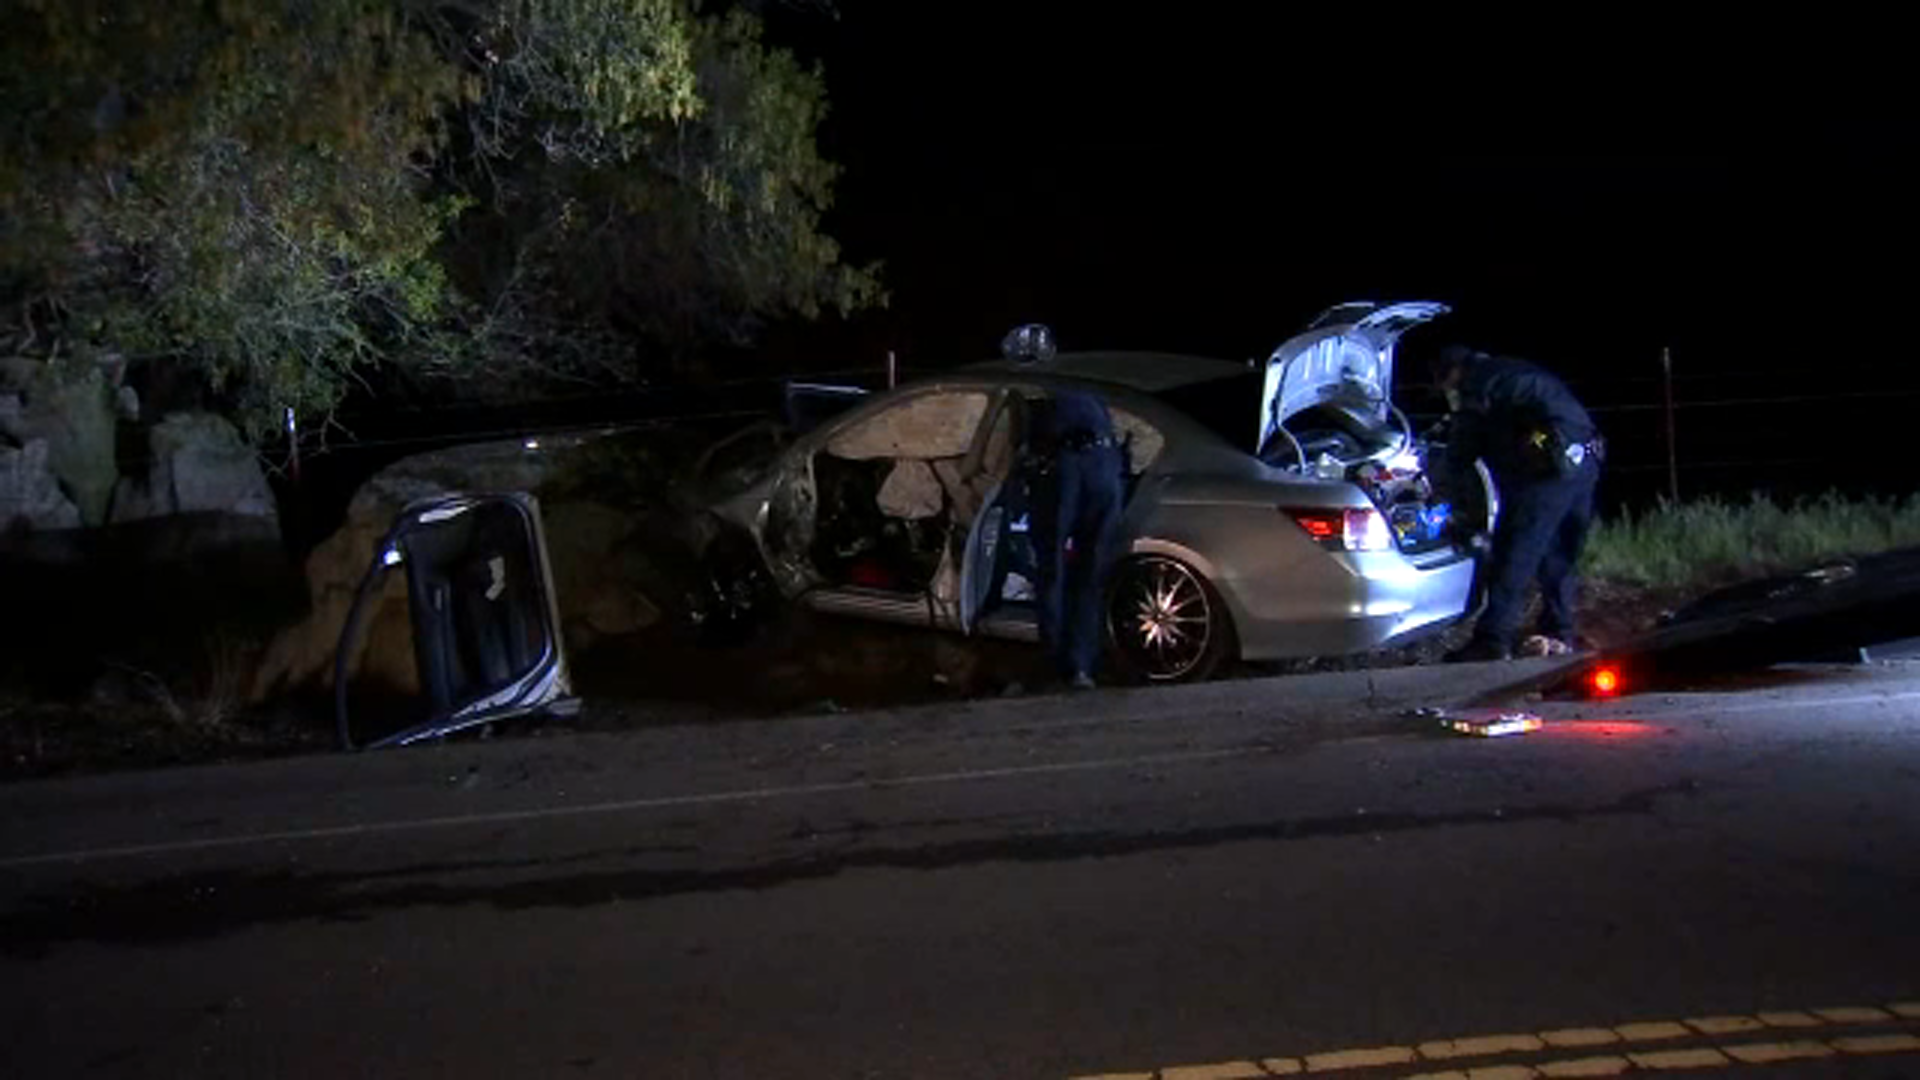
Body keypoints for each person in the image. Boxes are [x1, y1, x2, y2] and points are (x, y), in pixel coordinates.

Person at [1432, 344, 1604, 662]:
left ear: (1453, 373)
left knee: (1515, 552)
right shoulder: (1509, 368)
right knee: (1559, 552)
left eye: (1446, 385)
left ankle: (1493, 640)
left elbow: (1464, 444)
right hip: (1584, 460)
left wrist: (1438, 484)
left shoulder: (1477, 383)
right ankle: (1559, 631)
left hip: (1549, 468)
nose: (1448, 393)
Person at [1002, 324, 1126, 690]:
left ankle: (1057, 664)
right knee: (1091, 571)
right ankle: (1084, 666)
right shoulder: (1083, 380)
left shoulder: (1029, 387)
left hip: (1065, 470)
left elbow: (1016, 440)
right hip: (1106, 468)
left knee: (1052, 567)